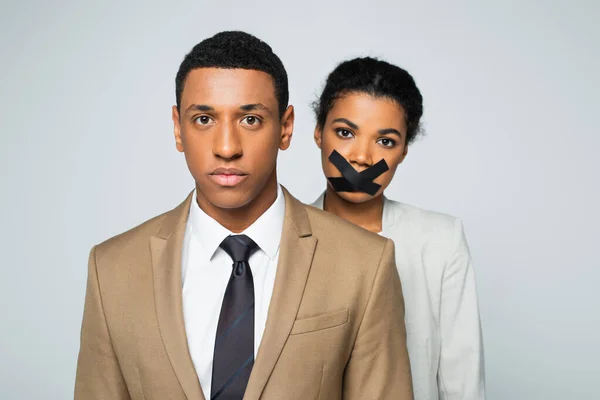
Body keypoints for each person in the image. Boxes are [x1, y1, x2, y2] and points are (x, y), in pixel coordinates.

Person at [74, 32, 414, 400]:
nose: (226, 148)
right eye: (204, 119)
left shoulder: (365, 263)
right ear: (177, 128)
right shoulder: (111, 269)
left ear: (285, 128)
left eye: (250, 119)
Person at [311, 57, 485, 400]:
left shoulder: (440, 241)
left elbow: (462, 375)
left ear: (404, 150)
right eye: (345, 132)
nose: (361, 157)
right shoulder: (279, 237)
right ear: (319, 132)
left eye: (386, 141)